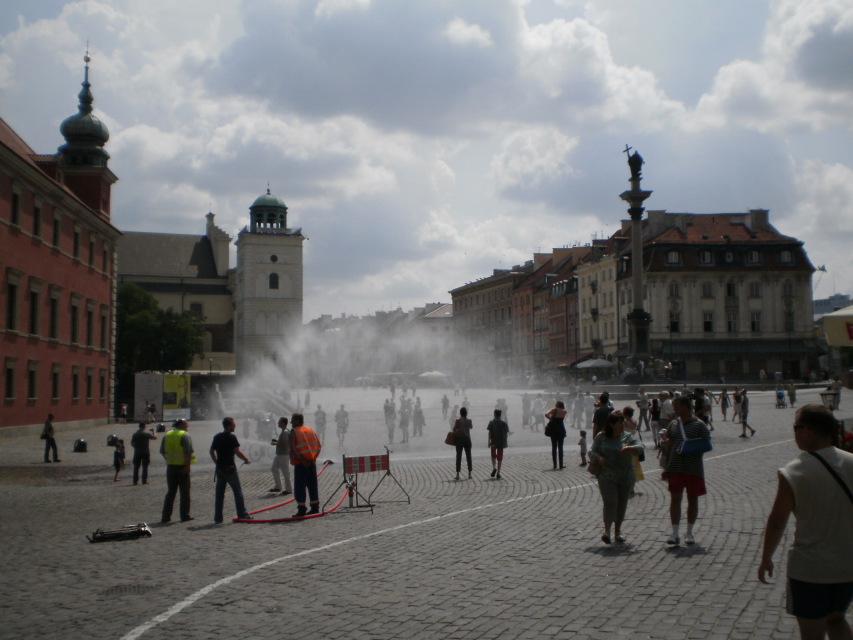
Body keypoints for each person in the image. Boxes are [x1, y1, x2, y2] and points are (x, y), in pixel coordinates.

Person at [758, 404, 853, 640]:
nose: (795, 433)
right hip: (847, 565)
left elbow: (778, 521)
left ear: (807, 431)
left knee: (812, 633)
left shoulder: (794, 471)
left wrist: (766, 557)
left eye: (796, 427)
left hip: (811, 569)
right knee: (838, 620)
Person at [589, 411, 643, 544]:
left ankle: (617, 532)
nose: (623, 425)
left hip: (625, 476)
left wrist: (631, 448)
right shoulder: (601, 437)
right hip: (606, 475)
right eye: (620, 423)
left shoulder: (627, 437)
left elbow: (640, 447)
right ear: (612, 424)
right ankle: (606, 532)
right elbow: (591, 451)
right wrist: (598, 457)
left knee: (621, 504)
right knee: (610, 501)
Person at [662, 396, 711, 546]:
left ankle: (689, 532)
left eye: (676, 406)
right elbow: (669, 446)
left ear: (685, 406)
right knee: (675, 499)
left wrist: (692, 448)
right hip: (676, 467)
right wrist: (666, 467)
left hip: (693, 467)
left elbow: (707, 444)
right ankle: (675, 533)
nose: (674, 409)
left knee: (692, 499)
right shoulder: (673, 424)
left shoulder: (700, 425)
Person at [210, 417, 252, 523]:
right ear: (228, 426)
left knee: (219, 494)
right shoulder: (231, 437)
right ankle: (242, 514)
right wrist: (246, 459)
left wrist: (216, 463)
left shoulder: (217, 437)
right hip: (230, 469)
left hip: (219, 469)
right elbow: (237, 451)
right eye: (233, 424)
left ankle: (218, 518)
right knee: (237, 492)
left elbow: (211, 451)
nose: (235, 426)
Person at [160, 418, 195, 523]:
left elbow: (162, 451)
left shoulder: (167, 435)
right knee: (184, 492)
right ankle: (184, 515)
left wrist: (168, 460)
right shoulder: (185, 435)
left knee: (171, 492)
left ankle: (166, 516)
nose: (187, 425)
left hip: (170, 467)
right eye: (185, 423)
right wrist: (187, 467)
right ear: (180, 425)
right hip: (182, 467)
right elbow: (188, 452)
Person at [289, 413, 322, 517]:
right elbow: (319, 446)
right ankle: (315, 508)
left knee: (300, 487)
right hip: (312, 463)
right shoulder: (310, 430)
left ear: (298, 421)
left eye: (293, 420)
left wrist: (302, 460)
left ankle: (301, 509)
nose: (291, 423)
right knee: (312, 486)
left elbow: (293, 448)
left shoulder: (294, 432)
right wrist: (313, 458)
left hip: (301, 464)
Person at [270, 417, 292, 495]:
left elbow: (285, 443)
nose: (278, 423)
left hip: (283, 455)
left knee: (285, 472)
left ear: (283, 423)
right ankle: (278, 487)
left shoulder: (285, 432)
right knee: (274, 468)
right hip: (279, 455)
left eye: (279, 422)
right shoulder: (284, 431)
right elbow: (283, 442)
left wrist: (275, 443)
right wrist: (277, 441)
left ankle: (289, 489)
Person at [486, 409, 509, 479]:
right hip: (501, 442)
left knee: (493, 455)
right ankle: (498, 472)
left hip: (493, 441)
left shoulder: (492, 422)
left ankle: (494, 468)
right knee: (500, 457)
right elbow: (506, 433)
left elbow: (489, 432)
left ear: (494, 414)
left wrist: (489, 442)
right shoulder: (504, 422)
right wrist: (505, 441)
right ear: (500, 414)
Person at [545, 400, 568, 470]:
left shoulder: (553, 410)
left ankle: (555, 464)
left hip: (554, 430)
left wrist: (551, 419)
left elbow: (546, 414)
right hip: (561, 429)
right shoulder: (564, 411)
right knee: (560, 448)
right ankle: (561, 465)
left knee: (554, 447)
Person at [453, 406, 473, 481]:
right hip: (467, 439)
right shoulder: (469, 420)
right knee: (469, 456)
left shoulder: (458, 420)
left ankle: (458, 474)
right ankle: (470, 473)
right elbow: (471, 427)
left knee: (458, 456)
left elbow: (454, 429)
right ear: (466, 413)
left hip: (459, 440)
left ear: (460, 413)